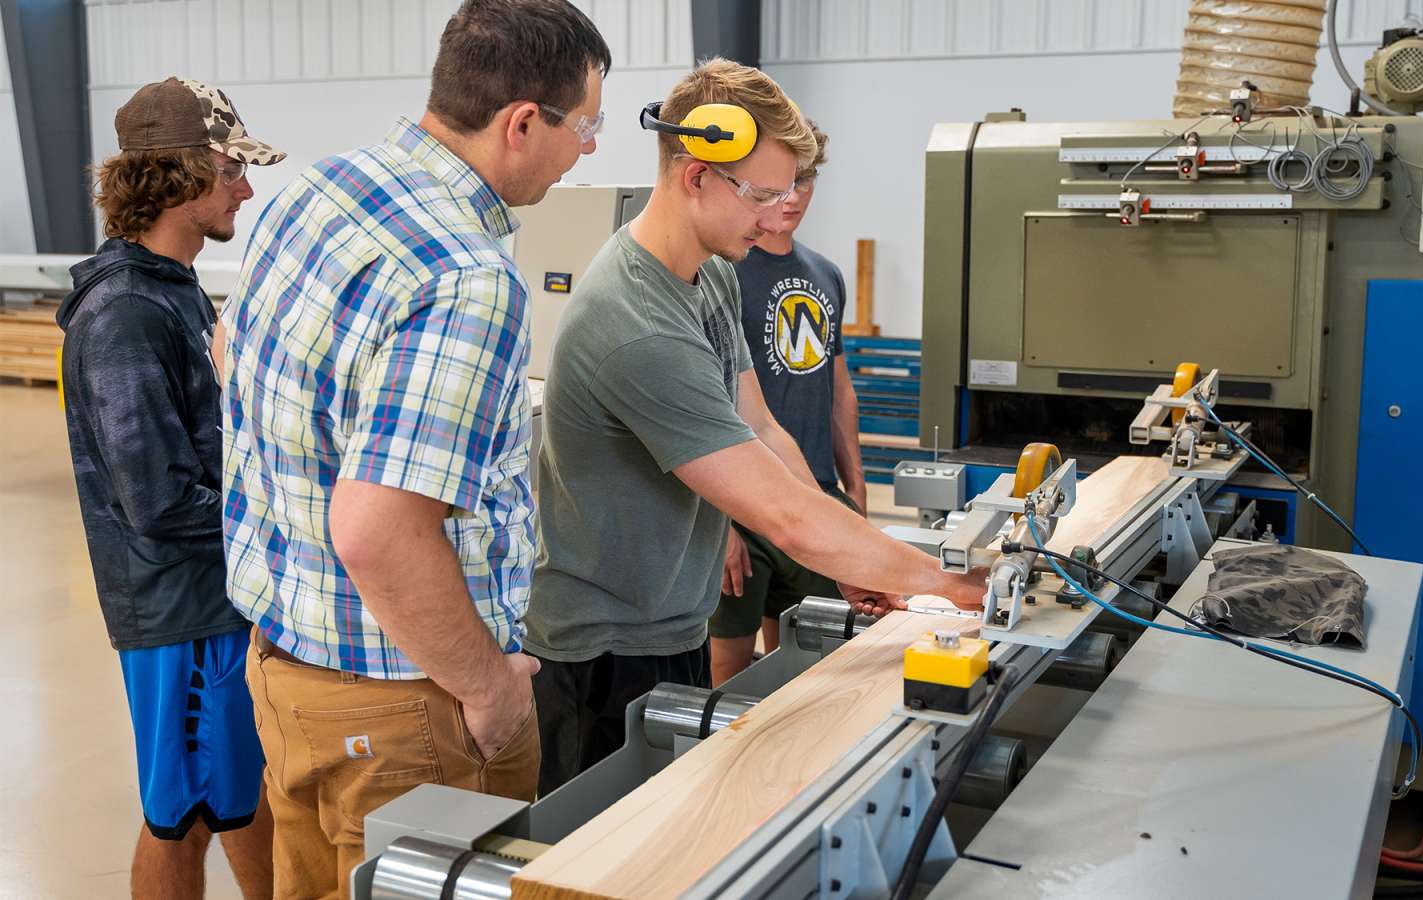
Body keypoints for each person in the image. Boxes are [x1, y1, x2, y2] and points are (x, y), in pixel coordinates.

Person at [216, 1, 610, 894]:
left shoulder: (319, 191)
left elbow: (231, 351)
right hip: (406, 707)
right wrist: (489, 689)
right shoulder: (466, 273)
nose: (587, 148)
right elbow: (379, 530)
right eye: (585, 125)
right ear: (520, 123)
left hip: (286, 675)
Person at [528, 59, 987, 795]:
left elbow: (765, 431)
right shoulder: (636, 322)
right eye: (764, 196)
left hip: (671, 619)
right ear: (696, 176)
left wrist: (845, 561)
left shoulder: (706, 274)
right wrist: (947, 584)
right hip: (602, 652)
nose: (779, 217)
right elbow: (777, 512)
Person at [57, 76, 280, 900]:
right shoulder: (124, 316)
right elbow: (156, 504)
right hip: (175, 613)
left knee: (238, 797)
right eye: (232, 171)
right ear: (180, 174)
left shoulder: (173, 290)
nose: (246, 188)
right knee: (182, 812)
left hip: (209, 601)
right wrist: (286, 519)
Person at [709, 118, 866, 685]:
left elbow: (836, 387)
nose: (795, 196)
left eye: (807, 181)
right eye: (784, 182)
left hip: (812, 491)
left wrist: (854, 483)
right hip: (743, 506)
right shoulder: (721, 273)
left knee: (804, 656)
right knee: (727, 667)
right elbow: (705, 404)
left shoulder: (825, 274)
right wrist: (717, 522)